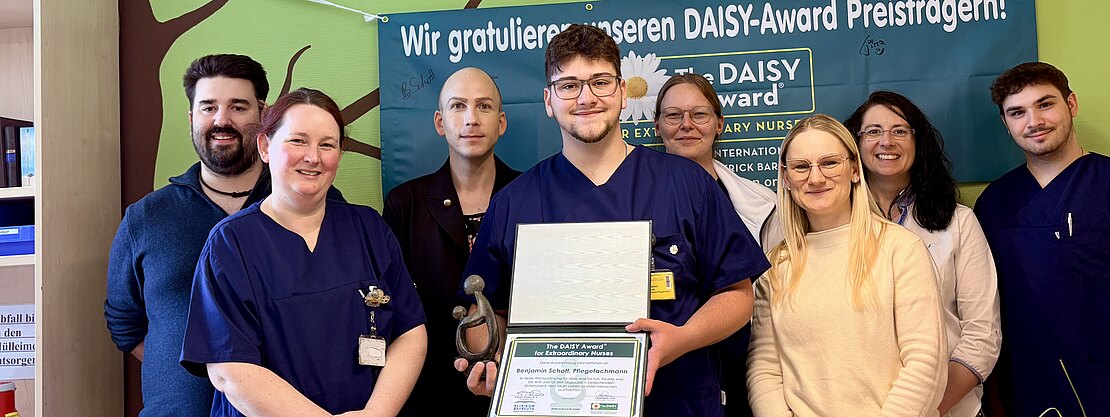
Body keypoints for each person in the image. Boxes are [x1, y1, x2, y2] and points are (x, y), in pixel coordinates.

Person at [453, 24, 770, 416]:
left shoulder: (687, 184)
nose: (586, 98)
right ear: (549, 100)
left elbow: (738, 295)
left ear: (622, 92)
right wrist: (494, 361)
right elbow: (487, 310)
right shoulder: (514, 203)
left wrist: (682, 338)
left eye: (600, 82)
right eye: (569, 85)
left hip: (676, 401)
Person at [180, 88, 427, 416]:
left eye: (327, 144)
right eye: (298, 141)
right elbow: (229, 369)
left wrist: (376, 414)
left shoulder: (369, 229)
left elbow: (410, 332)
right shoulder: (231, 244)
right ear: (265, 147)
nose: (313, 157)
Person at [746, 114, 947, 417]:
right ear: (786, 179)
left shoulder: (900, 249)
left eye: (829, 163)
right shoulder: (776, 267)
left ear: (854, 170)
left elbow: (924, 361)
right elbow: (764, 370)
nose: (815, 178)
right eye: (801, 167)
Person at [105, 54, 272, 417]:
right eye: (208, 107)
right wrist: (182, 371)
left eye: (238, 107)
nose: (221, 120)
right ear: (191, 117)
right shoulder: (147, 217)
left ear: (263, 113)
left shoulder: (307, 206)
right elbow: (124, 324)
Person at [844, 91, 1001, 417]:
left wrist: (925, 408)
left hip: (948, 408)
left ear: (919, 141)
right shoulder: (831, 226)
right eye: (873, 131)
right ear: (854, 144)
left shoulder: (959, 223)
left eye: (900, 130)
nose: (886, 141)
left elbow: (982, 335)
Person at [383, 67, 520, 416]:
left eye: (484, 106)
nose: (471, 119)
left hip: (518, 387)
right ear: (440, 122)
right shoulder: (405, 204)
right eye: (458, 106)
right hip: (429, 393)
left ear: (501, 123)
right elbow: (394, 310)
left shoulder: (531, 196)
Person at [976, 62, 1110, 416]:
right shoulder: (994, 204)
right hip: (1027, 383)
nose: (1033, 121)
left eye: (1045, 104)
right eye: (1017, 112)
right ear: (1006, 124)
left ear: (1072, 104)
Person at [654, 73, 781, 417]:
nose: (686, 125)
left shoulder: (764, 204)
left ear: (719, 123)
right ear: (657, 126)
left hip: (750, 363)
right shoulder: (634, 200)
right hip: (670, 370)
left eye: (699, 114)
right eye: (673, 115)